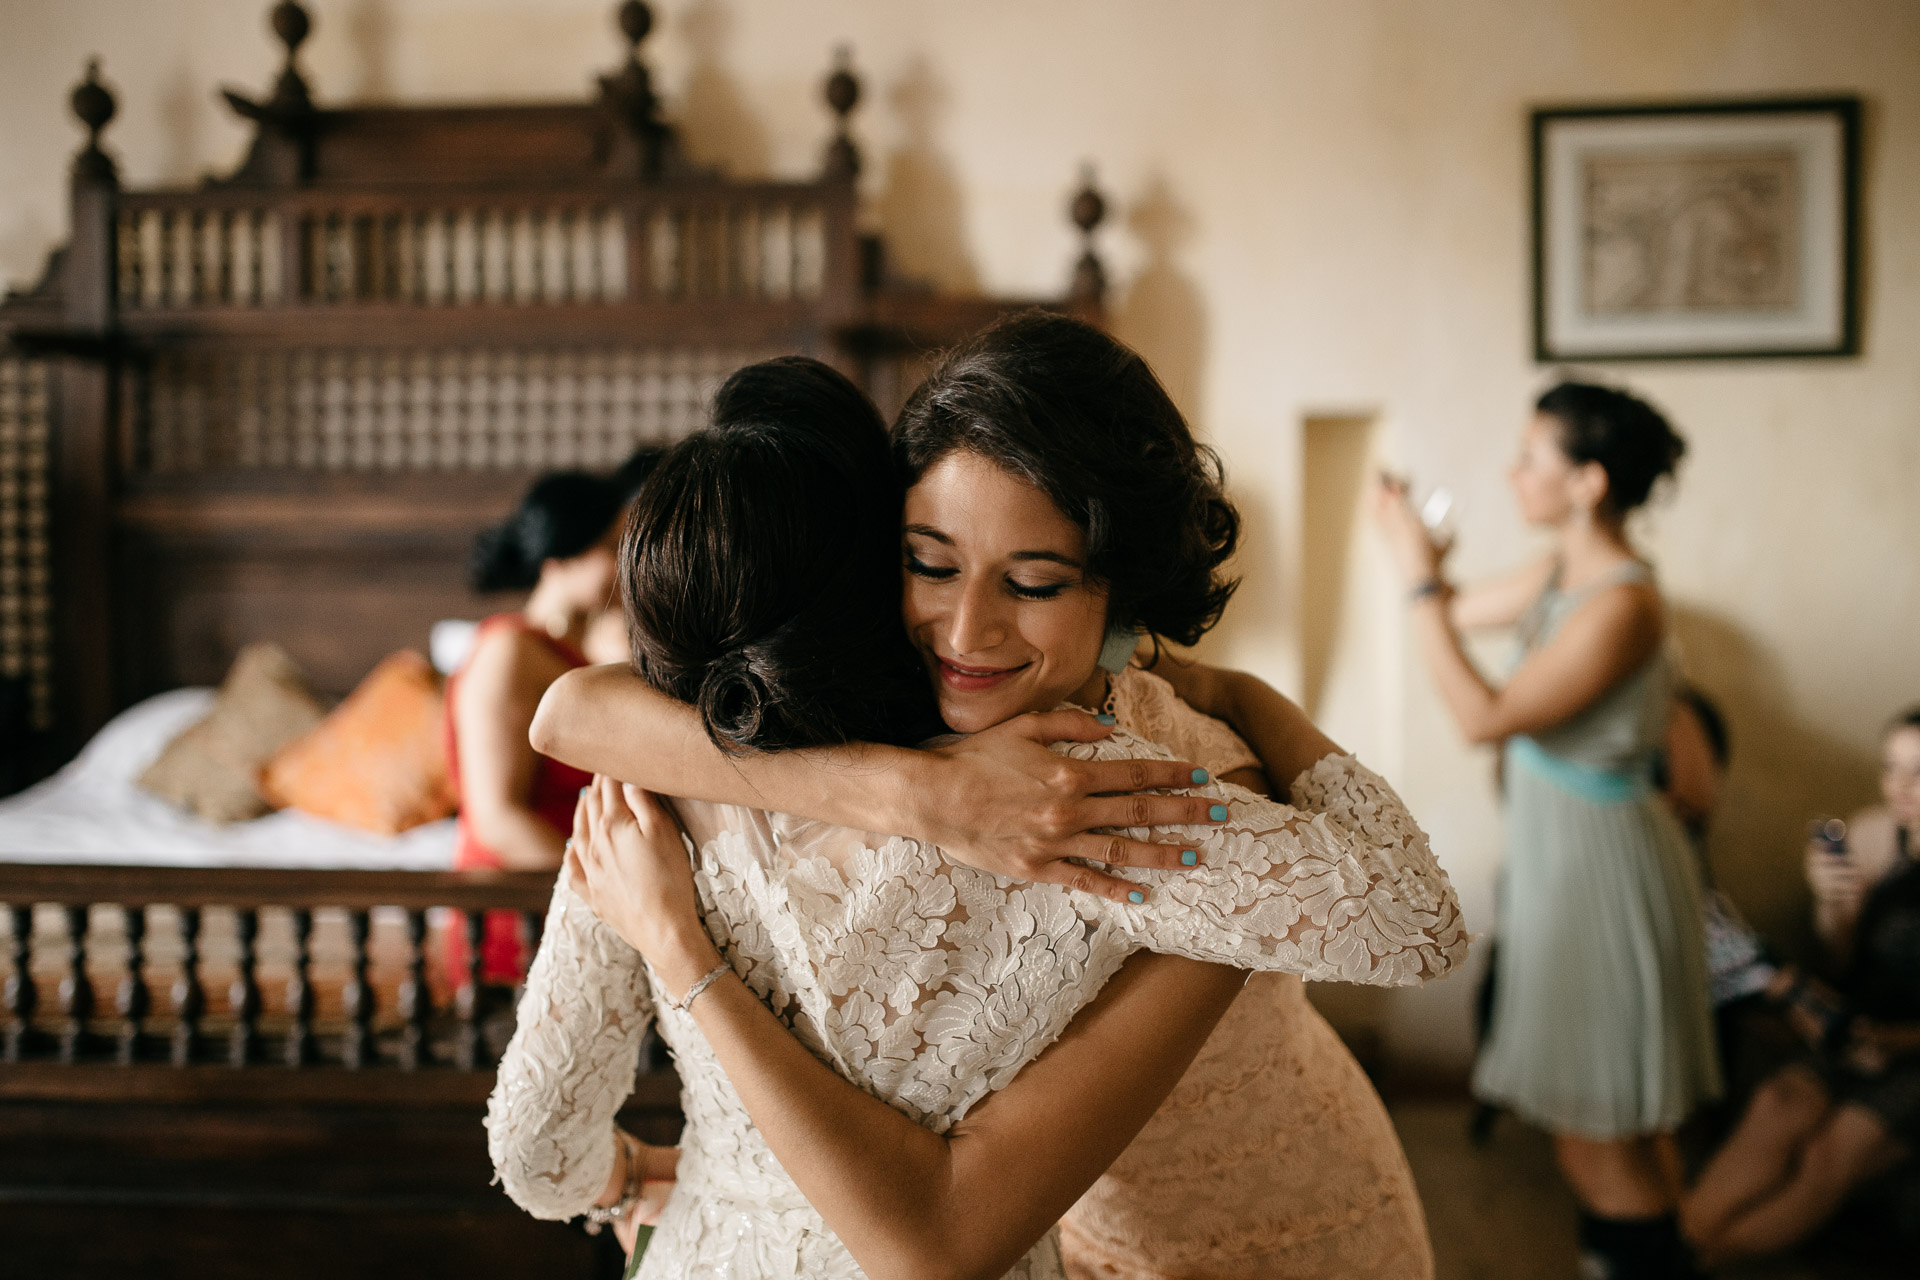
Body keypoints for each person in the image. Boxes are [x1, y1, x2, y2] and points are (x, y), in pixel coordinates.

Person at [488, 348, 1466, 1279]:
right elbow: (566, 712)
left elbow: (1416, 919)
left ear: (1120, 585)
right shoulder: (713, 754)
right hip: (1060, 1226)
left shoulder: (1115, 788)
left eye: (1032, 582)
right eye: (930, 563)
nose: (966, 630)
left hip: (1268, 1219)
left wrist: (1249, 697)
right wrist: (916, 792)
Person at [1374, 379, 1716, 1279]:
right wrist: (1421, 563)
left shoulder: (1623, 604)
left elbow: (1483, 717)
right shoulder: (1560, 574)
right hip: (1566, 865)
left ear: (1588, 482)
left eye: (1532, 458)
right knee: (1618, 1130)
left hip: (1604, 873)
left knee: (1598, 1137)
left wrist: (1417, 574)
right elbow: (1449, 613)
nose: (1512, 473)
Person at [1681, 707, 1920, 1263]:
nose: (1899, 787)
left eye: (1919, 774)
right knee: (1776, 1103)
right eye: (1891, 768)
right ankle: (1686, 1242)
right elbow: (1842, 960)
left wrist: (1887, 1043)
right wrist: (1833, 905)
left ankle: (1693, 1259)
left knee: (1828, 1154)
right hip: (1853, 1028)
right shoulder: (1874, 834)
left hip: (1911, 1049)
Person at [444, 465, 643, 982]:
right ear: (560, 556)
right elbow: (497, 818)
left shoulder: (585, 652)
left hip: (574, 903)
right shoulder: (509, 650)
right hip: (521, 907)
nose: (628, 561)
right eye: (612, 545)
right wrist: (614, 901)